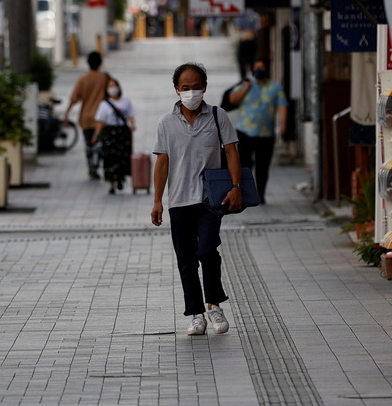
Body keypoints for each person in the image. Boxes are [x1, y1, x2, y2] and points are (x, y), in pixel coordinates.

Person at [151, 62, 243, 336]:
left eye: (196, 86)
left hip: (210, 199)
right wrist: (158, 200)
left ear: (204, 87)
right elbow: (162, 162)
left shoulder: (217, 116)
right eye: (185, 87)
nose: (191, 92)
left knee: (207, 250)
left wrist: (236, 186)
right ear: (176, 89)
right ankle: (196, 314)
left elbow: (231, 152)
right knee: (186, 259)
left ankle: (214, 305)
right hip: (179, 200)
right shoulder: (166, 123)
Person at [229, 58, 287, 204]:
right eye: (257, 67)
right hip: (245, 131)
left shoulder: (275, 88)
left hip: (265, 134)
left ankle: (260, 194)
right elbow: (232, 100)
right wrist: (246, 88)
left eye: (262, 67)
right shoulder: (245, 84)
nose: (259, 70)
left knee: (263, 166)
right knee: (245, 166)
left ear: (267, 69)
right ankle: (245, 194)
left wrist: (283, 124)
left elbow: (282, 105)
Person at [63, 51, 109, 179]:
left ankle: (91, 168)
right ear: (100, 63)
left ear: (88, 63)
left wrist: (66, 114)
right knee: (100, 142)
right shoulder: (105, 78)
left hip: (86, 117)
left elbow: (74, 98)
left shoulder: (82, 79)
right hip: (101, 118)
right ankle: (97, 161)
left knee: (89, 144)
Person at [91, 75, 136, 194]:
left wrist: (132, 125)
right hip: (109, 134)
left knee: (123, 158)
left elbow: (131, 115)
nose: (113, 88)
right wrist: (96, 135)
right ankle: (111, 183)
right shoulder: (104, 104)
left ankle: (121, 178)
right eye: (110, 86)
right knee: (109, 158)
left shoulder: (126, 101)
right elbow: (100, 122)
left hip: (122, 133)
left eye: (114, 86)